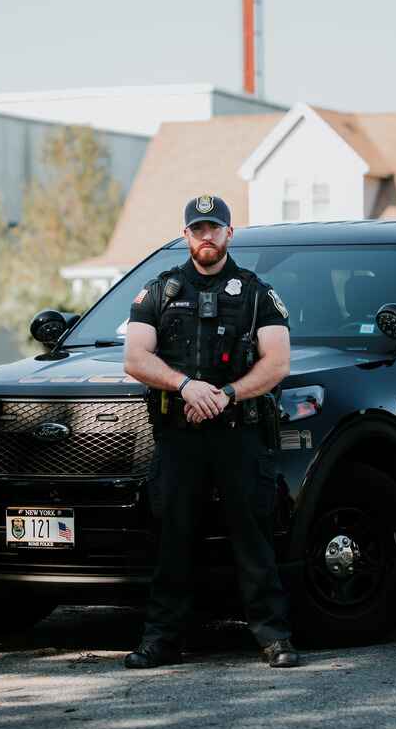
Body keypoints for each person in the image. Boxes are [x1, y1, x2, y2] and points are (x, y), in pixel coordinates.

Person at [122, 194, 300, 669]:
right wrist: (185, 386)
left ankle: (274, 638)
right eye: (197, 229)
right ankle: (161, 640)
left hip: (238, 433)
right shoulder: (159, 290)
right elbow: (135, 357)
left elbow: (278, 361)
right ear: (186, 235)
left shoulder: (257, 292)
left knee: (253, 538)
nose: (206, 236)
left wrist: (227, 394)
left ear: (229, 234)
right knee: (172, 538)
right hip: (179, 436)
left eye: (214, 228)